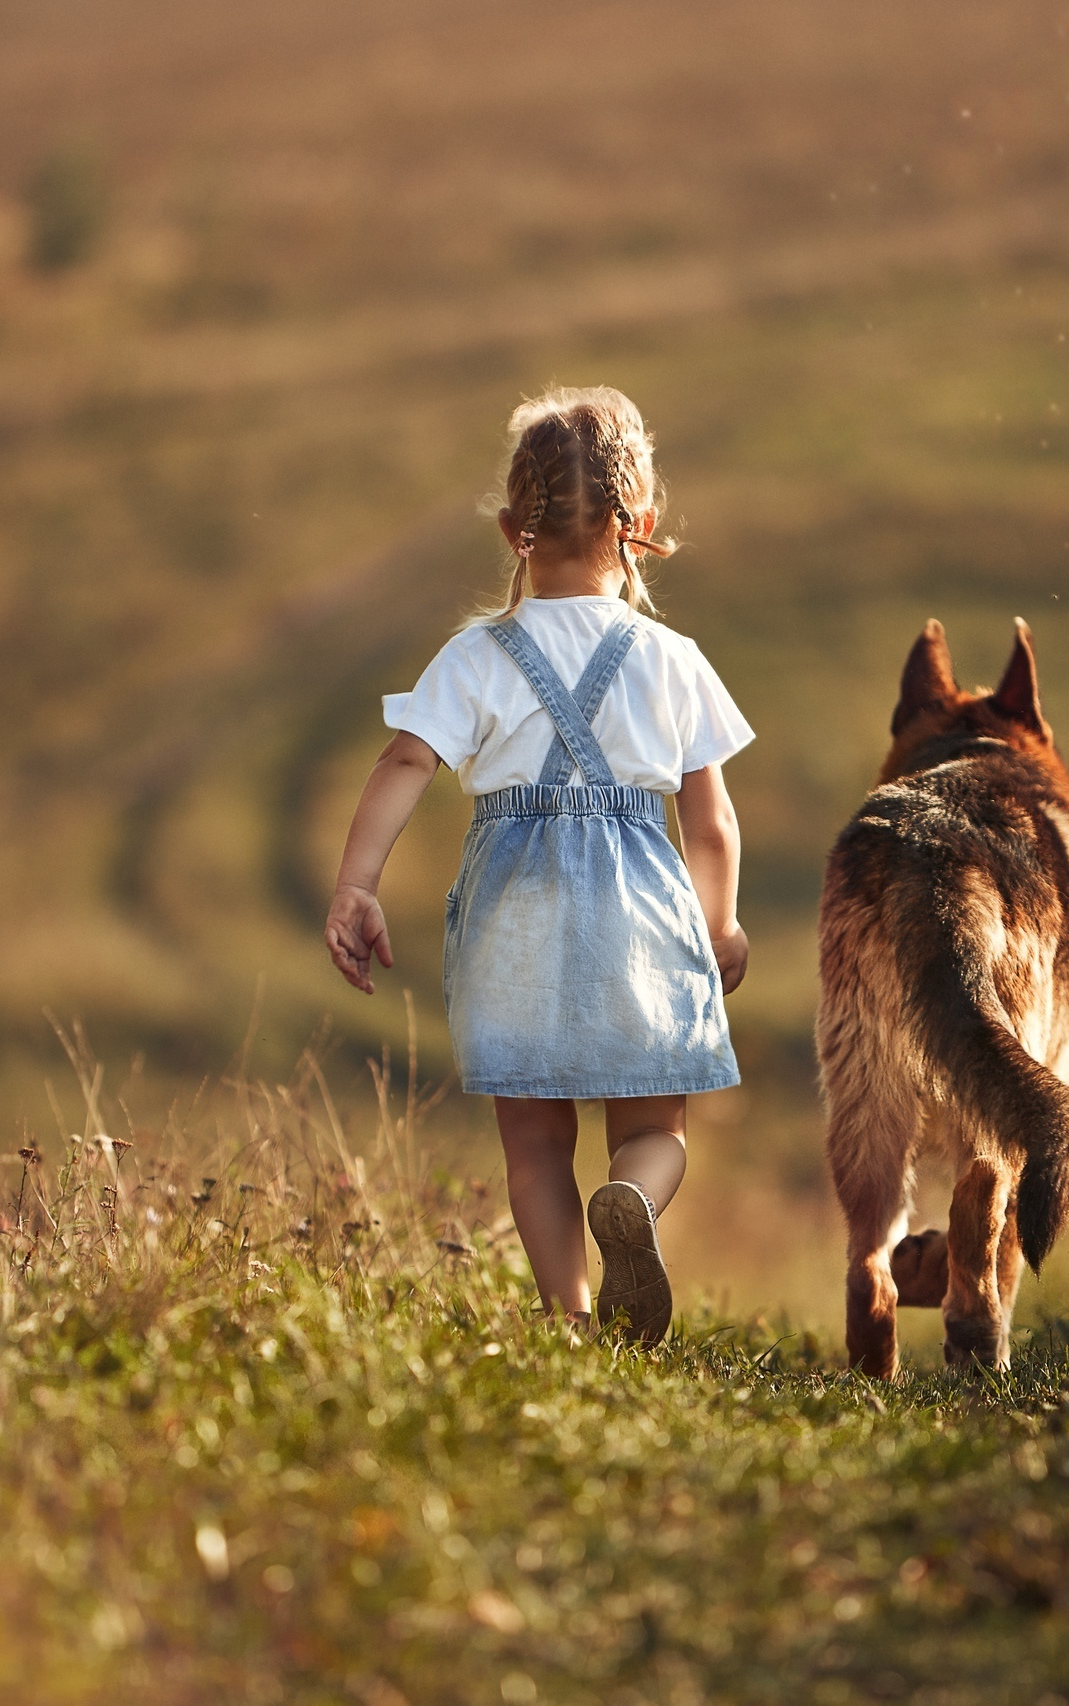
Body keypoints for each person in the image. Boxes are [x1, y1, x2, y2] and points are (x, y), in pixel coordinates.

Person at [323, 386, 751, 1343]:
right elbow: (709, 818)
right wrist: (719, 922)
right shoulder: (672, 657)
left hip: (514, 918)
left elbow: (404, 763)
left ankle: (571, 1319)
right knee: (653, 1129)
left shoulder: (475, 657)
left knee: (534, 1146)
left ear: (515, 528)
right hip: (642, 914)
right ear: (639, 525)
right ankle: (632, 1200)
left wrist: (356, 884)